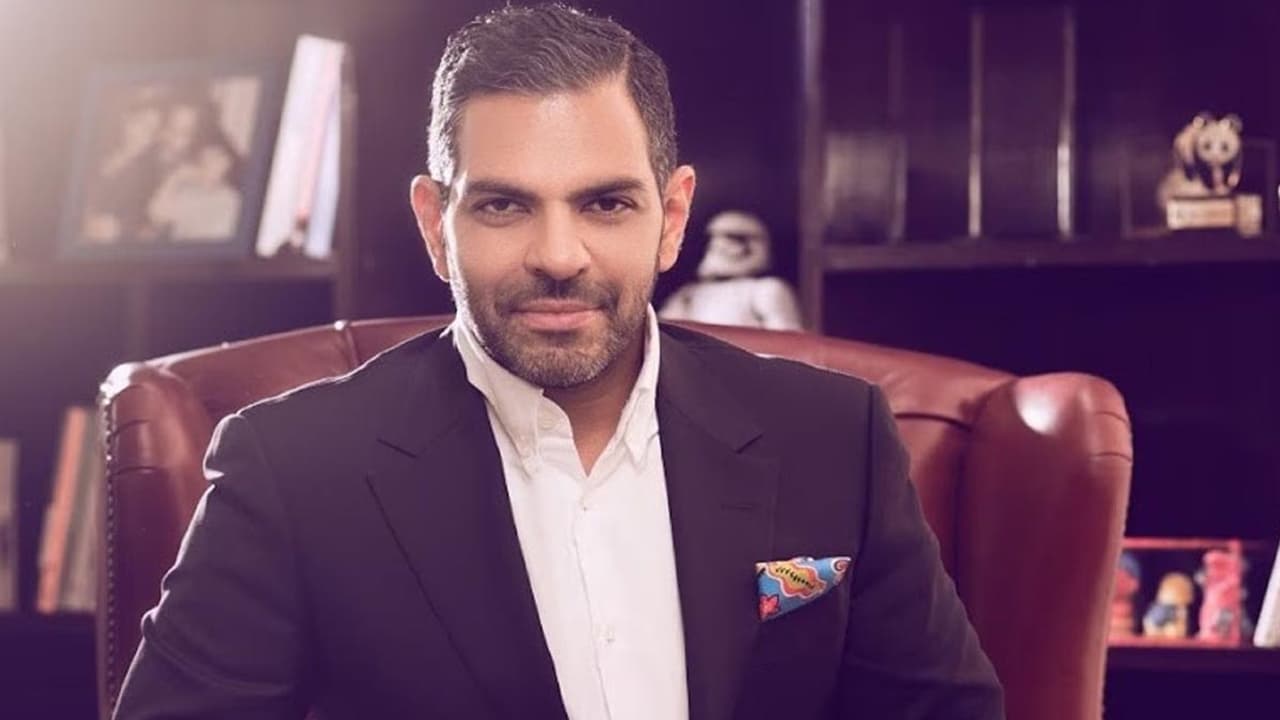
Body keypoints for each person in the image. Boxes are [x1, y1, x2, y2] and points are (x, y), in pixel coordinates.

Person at [113, 5, 1003, 719]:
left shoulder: (836, 436)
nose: (559, 255)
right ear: (435, 226)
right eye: (503, 206)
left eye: (606, 204)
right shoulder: (294, 468)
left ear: (673, 217)